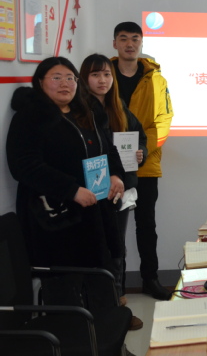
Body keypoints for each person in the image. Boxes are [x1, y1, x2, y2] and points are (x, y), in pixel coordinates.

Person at [6, 57, 126, 269]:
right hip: (57, 217)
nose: (65, 83)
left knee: (101, 274)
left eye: (70, 78)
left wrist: (115, 175)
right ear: (40, 82)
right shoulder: (30, 117)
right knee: (67, 279)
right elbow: (24, 165)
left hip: (95, 212)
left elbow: (108, 149)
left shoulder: (86, 112)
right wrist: (71, 190)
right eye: (56, 78)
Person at [80, 54, 148, 329]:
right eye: (96, 75)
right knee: (101, 251)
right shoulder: (79, 110)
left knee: (118, 248)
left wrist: (140, 152)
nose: (102, 80)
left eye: (107, 74)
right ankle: (102, 310)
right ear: (84, 78)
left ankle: (118, 304)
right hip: (94, 193)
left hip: (120, 190)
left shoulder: (117, 106)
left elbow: (139, 136)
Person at [112, 22, 174, 300]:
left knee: (146, 225)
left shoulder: (156, 79)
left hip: (145, 164)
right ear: (115, 43)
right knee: (113, 228)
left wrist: (141, 150)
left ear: (141, 43)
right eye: (123, 38)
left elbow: (164, 119)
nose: (129, 44)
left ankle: (150, 279)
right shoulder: (104, 75)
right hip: (110, 165)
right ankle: (116, 286)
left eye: (135, 39)